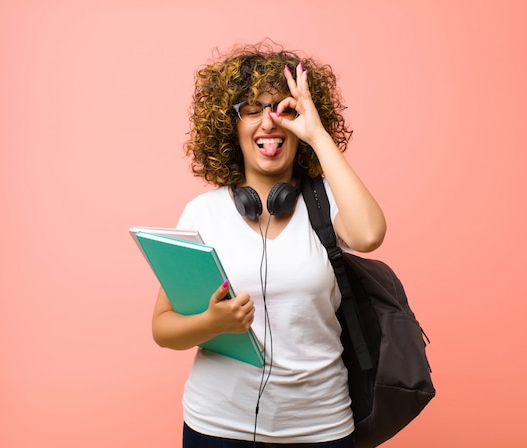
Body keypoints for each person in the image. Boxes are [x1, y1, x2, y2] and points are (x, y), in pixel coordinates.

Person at [151, 40, 386, 447]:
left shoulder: (327, 202)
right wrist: (213, 324)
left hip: (321, 428)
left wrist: (316, 134)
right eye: (252, 109)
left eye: (282, 108)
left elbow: (369, 235)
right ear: (230, 125)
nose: (268, 123)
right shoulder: (202, 213)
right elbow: (163, 327)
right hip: (218, 428)